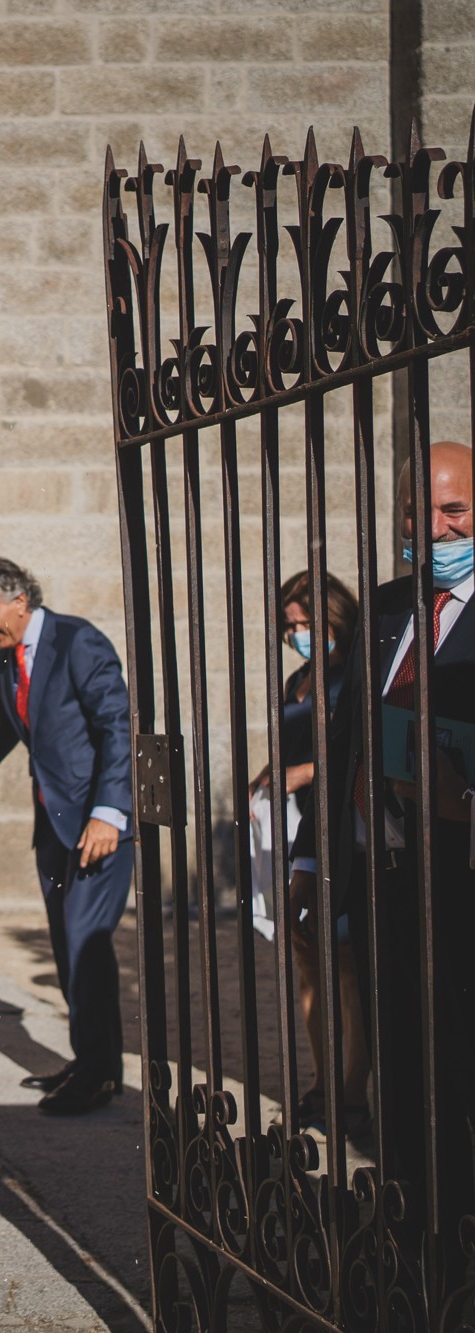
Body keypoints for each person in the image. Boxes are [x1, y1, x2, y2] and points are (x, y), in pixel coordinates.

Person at [295, 439, 472, 1211]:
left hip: (464, 871)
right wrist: (317, 859)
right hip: (385, 875)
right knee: (402, 1053)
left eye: (453, 508)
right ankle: (411, 1216)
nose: (431, 526)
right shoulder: (388, 605)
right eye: (415, 509)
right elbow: (345, 747)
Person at [0, 556, 134, 1116]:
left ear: (19, 600)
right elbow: (0, 735)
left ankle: (100, 1077)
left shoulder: (77, 641)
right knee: (66, 945)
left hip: (94, 825)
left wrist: (109, 811)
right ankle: (93, 1061)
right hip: (53, 828)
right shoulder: (9, 661)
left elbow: (118, 725)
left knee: (86, 942)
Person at [253, 570, 360, 1129]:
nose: (300, 633)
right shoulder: (302, 676)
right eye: (291, 625)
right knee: (307, 957)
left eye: (309, 623)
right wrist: (273, 773)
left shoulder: (359, 675)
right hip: (302, 831)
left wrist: (304, 772)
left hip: (349, 828)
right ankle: (322, 1081)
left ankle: (353, 1091)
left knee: (345, 962)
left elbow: (362, 750)